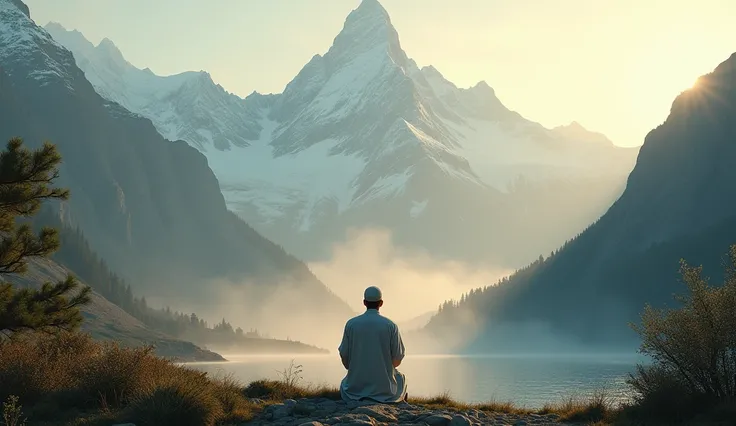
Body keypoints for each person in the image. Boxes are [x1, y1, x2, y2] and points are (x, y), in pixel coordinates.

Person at [338, 286, 408, 403]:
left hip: (355, 389)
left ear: (364, 302)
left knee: (345, 383)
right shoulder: (390, 326)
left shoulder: (351, 324)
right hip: (384, 390)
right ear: (381, 303)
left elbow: (344, 356)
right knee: (401, 379)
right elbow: (397, 359)